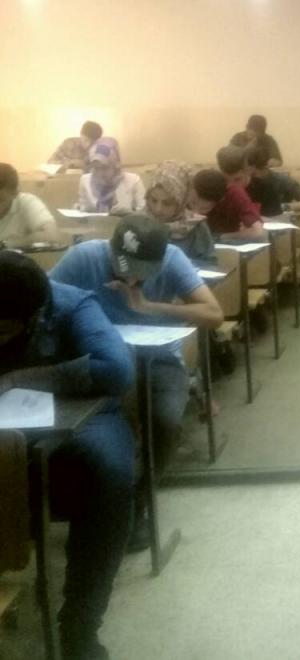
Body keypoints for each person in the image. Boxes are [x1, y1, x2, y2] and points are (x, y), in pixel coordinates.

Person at [50, 215, 223, 550]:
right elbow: (45, 301)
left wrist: (148, 306)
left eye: (141, 271)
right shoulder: (85, 257)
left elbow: (213, 314)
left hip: (158, 358)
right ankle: (85, 504)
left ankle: (138, 501)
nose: (131, 278)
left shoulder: (172, 258)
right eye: (124, 268)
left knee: (166, 420)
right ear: (112, 250)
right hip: (99, 360)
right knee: (102, 429)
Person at [0, 251, 135, 660]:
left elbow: (117, 370)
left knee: (111, 473)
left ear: (33, 316)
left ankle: (80, 622)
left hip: (77, 416)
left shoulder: (71, 304)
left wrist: (19, 378)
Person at [144, 161, 216, 264]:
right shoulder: (137, 222)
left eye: (167, 203)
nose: (158, 209)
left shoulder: (196, 227)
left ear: (181, 202)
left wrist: (181, 265)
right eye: (153, 200)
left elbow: (210, 264)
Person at [201, 147, 263, 240]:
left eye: (237, 179)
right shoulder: (217, 185)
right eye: (225, 180)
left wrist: (220, 237)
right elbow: (257, 231)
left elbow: (257, 231)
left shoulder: (237, 191)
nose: (230, 185)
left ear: (248, 170)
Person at [77, 138, 145, 215]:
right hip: (94, 223)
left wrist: (129, 215)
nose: (100, 173)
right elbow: (83, 211)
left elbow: (144, 214)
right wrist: (79, 208)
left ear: (116, 166)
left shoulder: (133, 181)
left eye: (104, 168)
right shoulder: (85, 180)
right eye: (96, 168)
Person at [0, 163, 59, 248]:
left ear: (15, 193)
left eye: (1, 200)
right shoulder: (9, 195)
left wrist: (6, 244)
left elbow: (52, 235)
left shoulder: (26, 201)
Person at [246, 146, 300, 218]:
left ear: (266, 167)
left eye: (254, 174)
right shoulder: (246, 181)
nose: (250, 177)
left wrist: (282, 207)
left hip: (277, 219)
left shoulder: (282, 180)